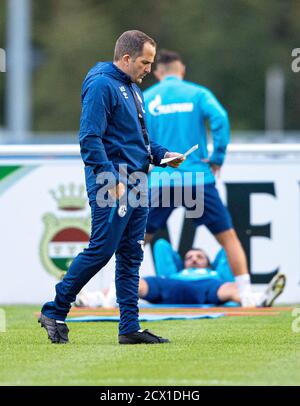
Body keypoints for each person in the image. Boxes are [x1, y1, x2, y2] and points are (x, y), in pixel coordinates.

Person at [39, 31, 185, 345]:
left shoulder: (132, 88)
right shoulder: (101, 84)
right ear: (127, 58)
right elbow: (89, 139)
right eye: (145, 62)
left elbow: (140, 141)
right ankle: (54, 309)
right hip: (114, 182)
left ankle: (129, 328)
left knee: (131, 254)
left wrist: (163, 155)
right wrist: (111, 178)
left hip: (137, 180)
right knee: (102, 249)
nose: (149, 69)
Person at [143, 49, 256, 307]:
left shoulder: (147, 98)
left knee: (138, 239)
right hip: (196, 179)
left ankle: (118, 292)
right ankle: (247, 294)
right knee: (228, 238)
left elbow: (137, 135)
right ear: (181, 70)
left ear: (158, 72)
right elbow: (220, 118)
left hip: (163, 180)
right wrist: (217, 156)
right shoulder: (197, 93)